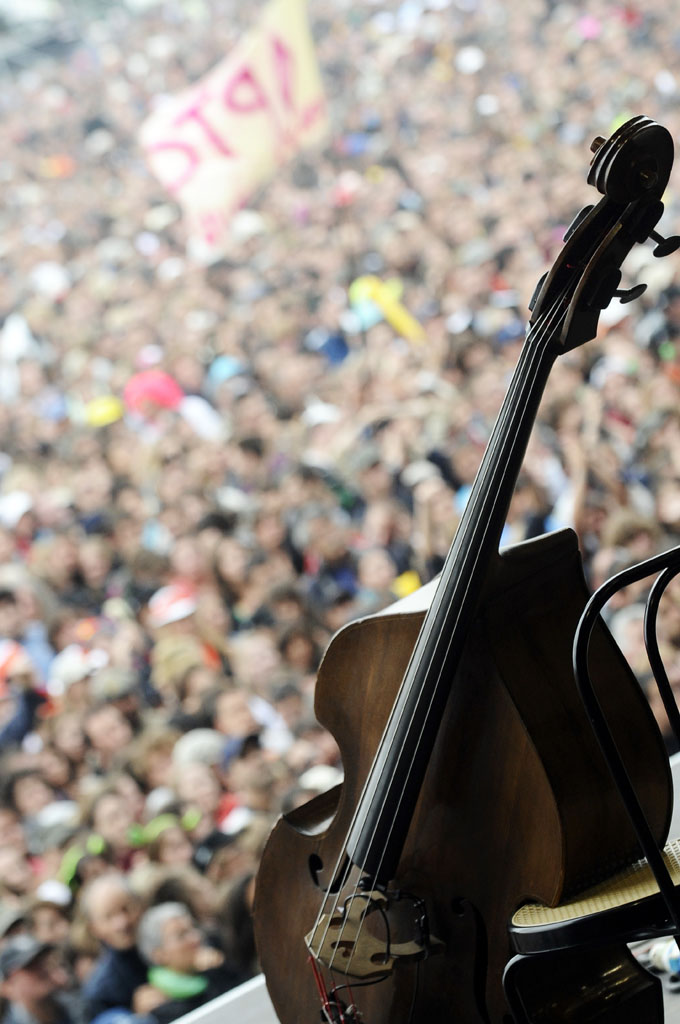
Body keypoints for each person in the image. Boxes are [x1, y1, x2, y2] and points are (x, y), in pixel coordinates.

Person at [133, 902, 244, 1023]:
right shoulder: (156, 1003)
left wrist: (220, 970)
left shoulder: (220, 965)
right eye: (181, 935)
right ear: (159, 954)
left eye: (193, 928)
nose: (195, 938)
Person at [79, 873, 148, 1020]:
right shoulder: (100, 992)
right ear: (94, 928)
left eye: (126, 908)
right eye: (108, 916)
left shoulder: (175, 943)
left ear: (140, 905)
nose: (122, 923)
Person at [0, 933, 83, 1024]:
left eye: (41, 962)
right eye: (30, 966)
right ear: (8, 986)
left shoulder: (75, 1007)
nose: (41, 970)